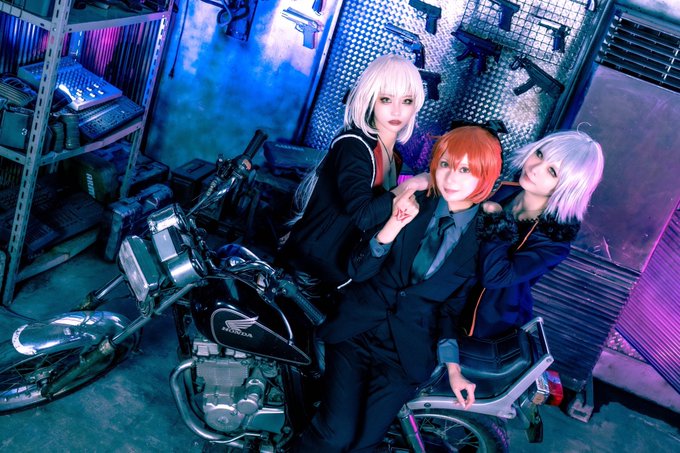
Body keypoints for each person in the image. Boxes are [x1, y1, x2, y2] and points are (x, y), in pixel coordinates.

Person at [293, 125, 504, 451]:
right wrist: (393, 224)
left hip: (405, 354)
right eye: (445, 164)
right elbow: (358, 270)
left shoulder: (482, 239)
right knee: (334, 435)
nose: (451, 178)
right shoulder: (411, 199)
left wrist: (454, 369)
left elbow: (450, 309)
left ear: (486, 176)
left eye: (466, 170)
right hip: (357, 333)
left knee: (364, 444)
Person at [278, 54, 429, 300]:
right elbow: (364, 215)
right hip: (309, 270)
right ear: (370, 99)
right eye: (386, 99)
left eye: (406, 100)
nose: (397, 110)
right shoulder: (353, 145)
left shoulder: (394, 157)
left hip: (341, 272)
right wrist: (413, 184)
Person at [460, 130, 605, 339]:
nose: (535, 168)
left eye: (552, 171)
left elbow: (496, 276)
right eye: (539, 154)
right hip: (445, 295)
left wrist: (496, 219)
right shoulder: (502, 189)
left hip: (482, 325)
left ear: (569, 187)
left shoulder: (553, 241)